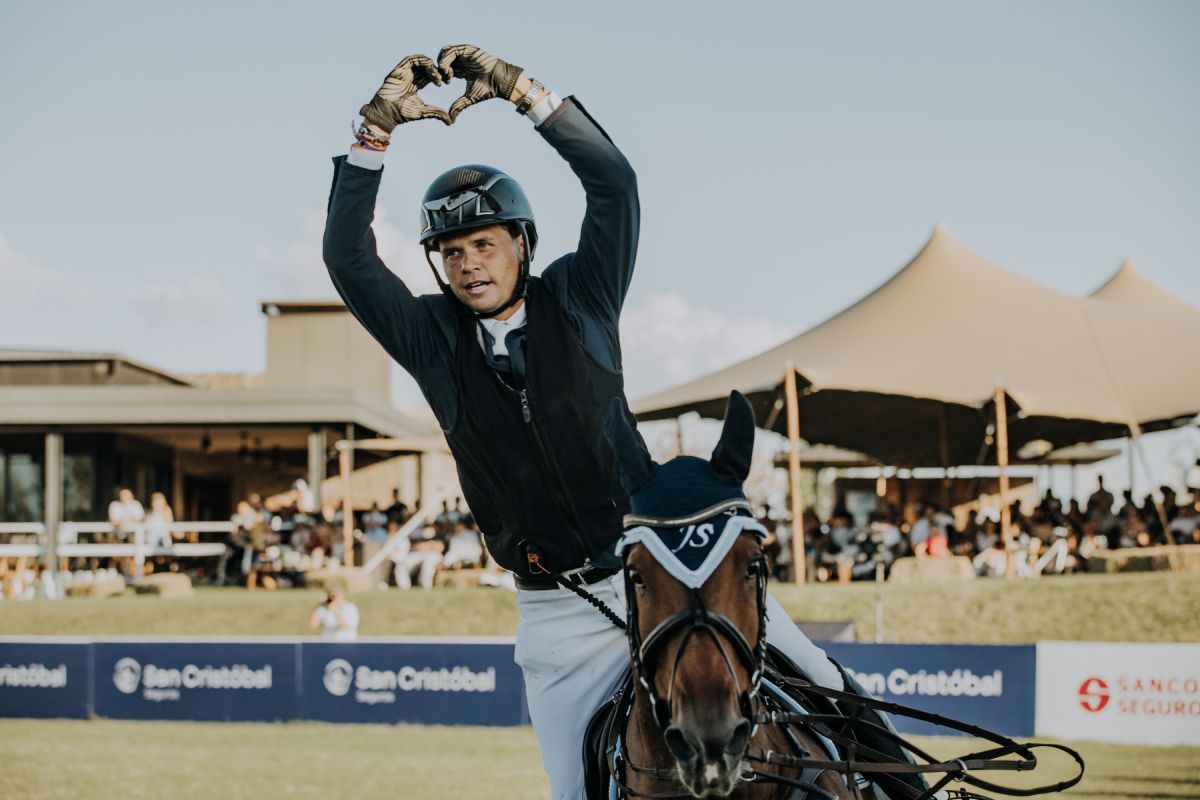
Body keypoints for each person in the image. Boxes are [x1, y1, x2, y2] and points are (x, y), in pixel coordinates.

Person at [323, 45, 883, 798]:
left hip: (662, 571)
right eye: (450, 252)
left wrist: (520, 91)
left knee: (832, 692)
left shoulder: (581, 298)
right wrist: (374, 131)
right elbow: (349, 259)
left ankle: (914, 786)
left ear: (521, 242)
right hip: (556, 615)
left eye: (484, 243)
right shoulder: (430, 338)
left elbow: (614, 183)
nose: (468, 265)